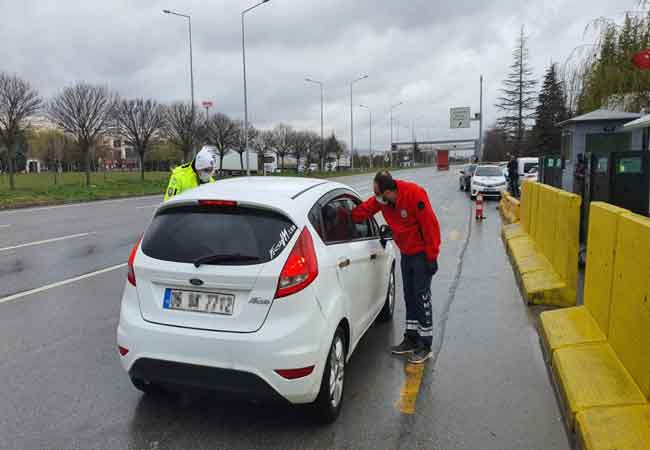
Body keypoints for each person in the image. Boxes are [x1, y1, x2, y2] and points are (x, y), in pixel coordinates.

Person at [352, 171, 441, 364]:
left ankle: (425, 345)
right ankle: (410, 338)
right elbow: (365, 209)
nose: (377, 200)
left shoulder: (414, 194)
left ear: (390, 191)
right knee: (409, 296)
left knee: (421, 297)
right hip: (407, 255)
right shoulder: (383, 200)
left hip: (422, 255)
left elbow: (430, 226)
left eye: (380, 195)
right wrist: (347, 216)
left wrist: (432, 256)